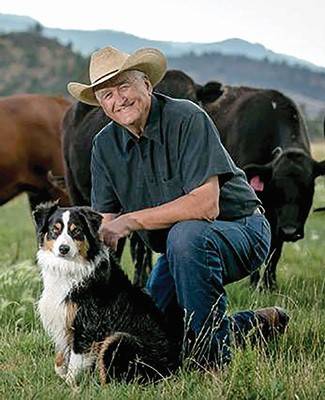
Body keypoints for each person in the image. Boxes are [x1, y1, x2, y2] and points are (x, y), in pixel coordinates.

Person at [67, 46, 289, 367]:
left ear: (147, 84)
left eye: (125, 86)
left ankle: (209, 363)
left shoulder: (187, 117)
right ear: (100, 104)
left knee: (187, 235)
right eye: (107, 94)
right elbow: (106, 224)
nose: (119, 99)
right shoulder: (104, 145)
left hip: (240, 230)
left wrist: (131, 221)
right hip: (178, 251)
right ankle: (254, 324)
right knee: (152, 332)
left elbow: (206, 205)